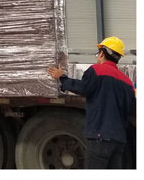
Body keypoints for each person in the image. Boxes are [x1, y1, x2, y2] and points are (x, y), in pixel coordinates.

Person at [46, 36, 135, 169]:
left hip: (100, 138)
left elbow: (83, 88)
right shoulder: (127, 82)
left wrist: (62, 78)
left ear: (102, 53)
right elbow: (131, 109)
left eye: (97, 53)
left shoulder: (96, 70)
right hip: (119, 141)